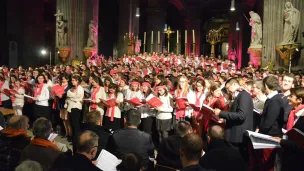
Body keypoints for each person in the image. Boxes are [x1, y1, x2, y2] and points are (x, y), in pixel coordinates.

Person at [214, 78, 254, 164]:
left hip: (239, 136)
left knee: (239, 162)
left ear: (235, 85)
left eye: (228, 88)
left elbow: (241, 115)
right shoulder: (238, 96)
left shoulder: (244, 95)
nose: (228, 91)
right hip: (234, 135)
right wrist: (225, 120)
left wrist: (221, 113)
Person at [272, 87, 304, 171]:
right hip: (288, 153)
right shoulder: (292, 112)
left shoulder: (302, 117)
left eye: (291, 96)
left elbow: (300, 143)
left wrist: (282, 141)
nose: (288, 98)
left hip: (298, 160)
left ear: (299, 99)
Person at [257, 76, 284, 171]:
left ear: (266, 86)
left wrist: (259, 134)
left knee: (267, 164)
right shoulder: (273, 98)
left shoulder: (275, 99)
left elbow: (269, 121)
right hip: (268, 136)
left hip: (270, 136)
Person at [66, 75, 84, 143]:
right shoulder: (72, 88)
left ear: (77, 81)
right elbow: (68, 94)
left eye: (74, 80)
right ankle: (73, 138)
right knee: (71, 124)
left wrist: (71, 96)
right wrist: (72, 96)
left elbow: (78, 98)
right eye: (72, 80)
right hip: (70, 107)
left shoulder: (80, 88)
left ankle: (76, 139)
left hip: (76, 107)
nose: (72, 81)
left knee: (75, 124)